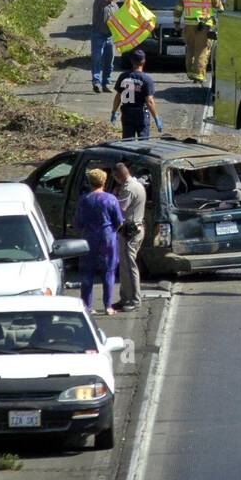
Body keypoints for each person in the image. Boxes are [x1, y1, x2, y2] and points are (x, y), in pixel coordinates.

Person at [75, 169, 125, 316]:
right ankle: (108, 306)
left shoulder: (84, 200)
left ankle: (86, 306)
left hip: (89, 238)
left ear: (89, 182)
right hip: (107, 238)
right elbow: (119, 221)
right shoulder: (111, 199)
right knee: (108, 272)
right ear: (104, 181)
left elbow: (77, 223)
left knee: (87, 273)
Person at [175, 0, 224, 84]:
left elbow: (178, 8)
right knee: (202, 51)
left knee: (190, 49)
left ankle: (190, 73)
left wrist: (176, 22)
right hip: (204, 25)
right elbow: (219, 7)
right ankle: (198, 75)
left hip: (189, 25)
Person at [112, 161, 146, 312]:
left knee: (130, 266)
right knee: (124, 266)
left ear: (119, 176)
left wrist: (112, 197)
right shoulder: (136, 184)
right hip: (131, 230)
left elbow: (120, 208)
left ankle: (135, 300)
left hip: (131, 231)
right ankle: (125, 298)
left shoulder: (129, 188)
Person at [111, 49, 164, 139]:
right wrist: (156, 118)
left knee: (128, 143)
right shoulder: (146, 79)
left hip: (127, 112)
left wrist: (114, 111)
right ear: (144, 61)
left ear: (131, 61)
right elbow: (149, 101)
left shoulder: (123, 76)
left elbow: (118, 96)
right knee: (142, 143)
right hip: (141, 114)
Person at [91, 0, 123, 93]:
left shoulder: (114, 6)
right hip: (98, 35)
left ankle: (106, 83)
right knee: (97, 59)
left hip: (110, 36)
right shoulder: (99, 1)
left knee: (109, 61)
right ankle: (96, 82)